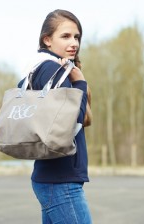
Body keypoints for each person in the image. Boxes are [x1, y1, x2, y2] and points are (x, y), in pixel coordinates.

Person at [18, 9, 92, 224]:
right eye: (66, 36)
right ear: (47, 40)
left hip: (52, 177)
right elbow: (71, 121)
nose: (74, 43)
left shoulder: (39, 67)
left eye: (77, 37)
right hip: (61, 181)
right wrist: (80, 82)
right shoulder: (52, 69)